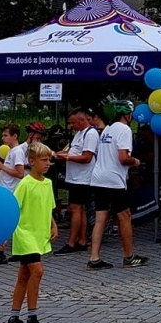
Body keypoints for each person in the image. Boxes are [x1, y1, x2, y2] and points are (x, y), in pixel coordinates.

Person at [7, 141, 58, 323]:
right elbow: (12, 208)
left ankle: (13, 317)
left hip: (39, 234)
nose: (47, 164)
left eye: (49, 160)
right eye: (43, 160)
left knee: (24, 275)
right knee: (37, 271)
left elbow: (48, 207)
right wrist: (6, 232)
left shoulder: (48, 184)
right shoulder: (25, 184)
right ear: (32, 161)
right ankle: (32, 317)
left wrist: (53, 224)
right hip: (25, 234)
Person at [87, 102, 147, 269]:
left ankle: (94, 258)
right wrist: (135, 161)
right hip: (113, 180)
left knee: (100, 219)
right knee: (125, 217)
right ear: (126, 114)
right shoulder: (124, 129)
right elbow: (122, 157)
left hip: (98, 178)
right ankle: (129, 257)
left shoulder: (108, 129)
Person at [60, 108, 97, 252]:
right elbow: (72, 151)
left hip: (83, 179)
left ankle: (71, 242)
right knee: (79, 209)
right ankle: (81, 240)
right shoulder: (78, 134)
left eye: (73, 123)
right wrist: (59, 154)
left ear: (82, 121)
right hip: (74, 177)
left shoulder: (91, 134)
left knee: (75, 209)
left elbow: (87, 157)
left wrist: (67, 157)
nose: (71, 126)